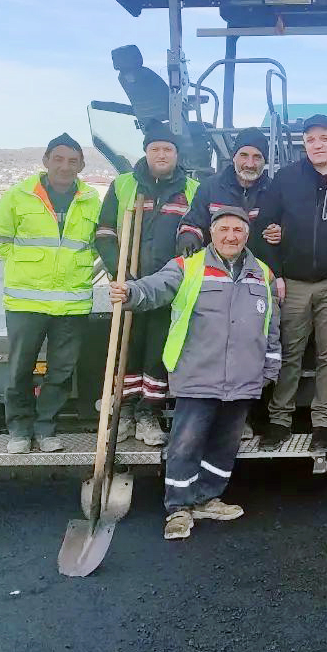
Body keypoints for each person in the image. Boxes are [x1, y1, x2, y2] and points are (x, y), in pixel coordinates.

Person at [109, 205, 281, 541]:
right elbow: (155, 288)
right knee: (185, 444)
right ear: (212, 233)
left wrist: (270, 365)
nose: (231, 236)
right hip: (198, 373)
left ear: (247, 235)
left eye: (238, 230)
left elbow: (271, 323)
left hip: (243, 377)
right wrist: (130, 292)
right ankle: (178, 508)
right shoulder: (188, 267)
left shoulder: (263, 273)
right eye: (224, 230)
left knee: (224, 444)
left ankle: (207, 498)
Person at [253, 114, 327, 469]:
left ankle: (323, 423)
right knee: (289, 353)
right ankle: (280, 421)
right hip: (295, 282)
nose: (317, 145)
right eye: (310, 140)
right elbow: (263, 228)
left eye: (323, 138)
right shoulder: (286, 179)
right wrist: (276, 273)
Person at [0, 133, 102, 454]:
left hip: (72, 303)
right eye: (59, 159)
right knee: (20, 369)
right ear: (46, 161)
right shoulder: (19, 195)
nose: (65, 166)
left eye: (72, 161)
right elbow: (0, 237)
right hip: (26, 301)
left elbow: (97, 244)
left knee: (62, 372)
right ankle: (20, 431)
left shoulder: (92, 200)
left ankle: (46, 428)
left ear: (81, 165)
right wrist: (30, 266)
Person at [94, 128, 199, 447]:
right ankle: (123, 411)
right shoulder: (124, 185)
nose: (162, 154)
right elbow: (105, 232)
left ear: (177, 154)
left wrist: (189, 242)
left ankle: (147, 413)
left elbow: (196, 226)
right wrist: (119, 270)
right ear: (146, 152)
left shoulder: (192, 189)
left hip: (169, 286)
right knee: (126, 348)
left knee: (159, 351)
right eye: (156, 149)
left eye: (168, 149)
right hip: (130, 282)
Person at [180, 128, 273, 261]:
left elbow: (285, 229)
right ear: (234, 157)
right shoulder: (210, 187)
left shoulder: (274, 191)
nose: (250, 164)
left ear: (265, 161)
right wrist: (189, 236)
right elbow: (193, 222)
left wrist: (282, 232)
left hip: (258, 272)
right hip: (215, 270)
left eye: (257, 157)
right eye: (244, 155)